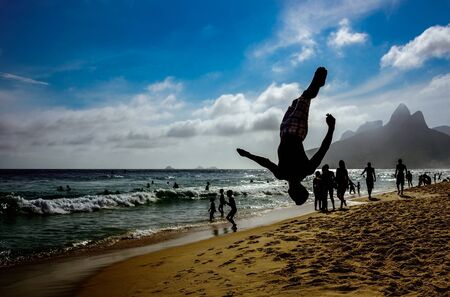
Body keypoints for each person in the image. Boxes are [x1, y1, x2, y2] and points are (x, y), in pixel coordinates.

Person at [236, 67, 335, 205]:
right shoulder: (298, 171)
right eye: (293, 195)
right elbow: (323, 149)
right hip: (296, 131)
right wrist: (331, 128)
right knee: (305, 97)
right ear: (293, 191)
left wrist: (248, 155)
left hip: (284, 130)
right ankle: (318, 84)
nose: (291, 194)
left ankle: (315, 86)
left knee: (298, 101)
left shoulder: (285, 173)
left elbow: (266, 162)